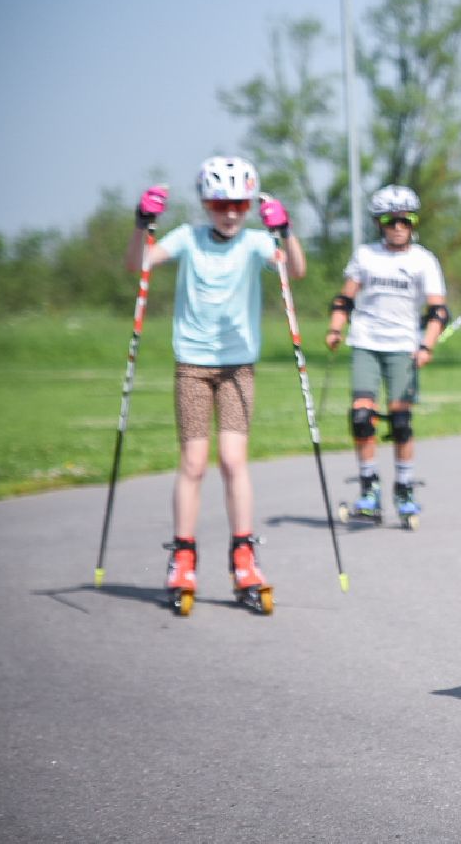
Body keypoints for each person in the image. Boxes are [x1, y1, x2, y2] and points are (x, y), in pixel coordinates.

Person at [126, 155, 305, 614]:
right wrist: (142, 223)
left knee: (232, 460)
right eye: (220, 204)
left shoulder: (255, 243)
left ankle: (244, 556)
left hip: (238, 367)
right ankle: (183, 557)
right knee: (193, 462)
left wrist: (285, 231)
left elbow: (295, 270)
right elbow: (138, 264)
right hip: (193, 365)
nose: (230, 213)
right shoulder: (187, 237)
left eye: (239, 205)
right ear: (206, 204)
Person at [325, 185, 447, 526]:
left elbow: (438, 311)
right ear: (379, 223)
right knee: (362, 416)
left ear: (414, 223)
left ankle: (404, 489)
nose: (398, 227)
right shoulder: (365, 255)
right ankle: (369, 489)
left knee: (401, 420)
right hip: (366, 341)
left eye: (405, 220)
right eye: (390, 220)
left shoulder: (423, 260)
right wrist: (335, 329)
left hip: (403, 346)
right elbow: (345, 299)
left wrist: (427, 346)